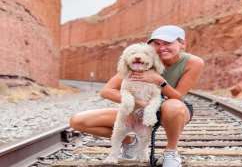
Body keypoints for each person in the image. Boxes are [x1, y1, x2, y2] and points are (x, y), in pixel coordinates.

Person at [70, 25, 204, 167]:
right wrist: (138, 103)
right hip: (137, 109)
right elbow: (106, 91)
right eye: (157, 44)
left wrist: (158, 80)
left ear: (182, 44)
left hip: (170, 110)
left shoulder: (193, 62)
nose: (162, 48)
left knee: (174, 106)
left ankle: (170, 152)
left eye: (167, 43)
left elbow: (177, 96)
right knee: (78, 121)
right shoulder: (138, 60)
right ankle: (130, 143)